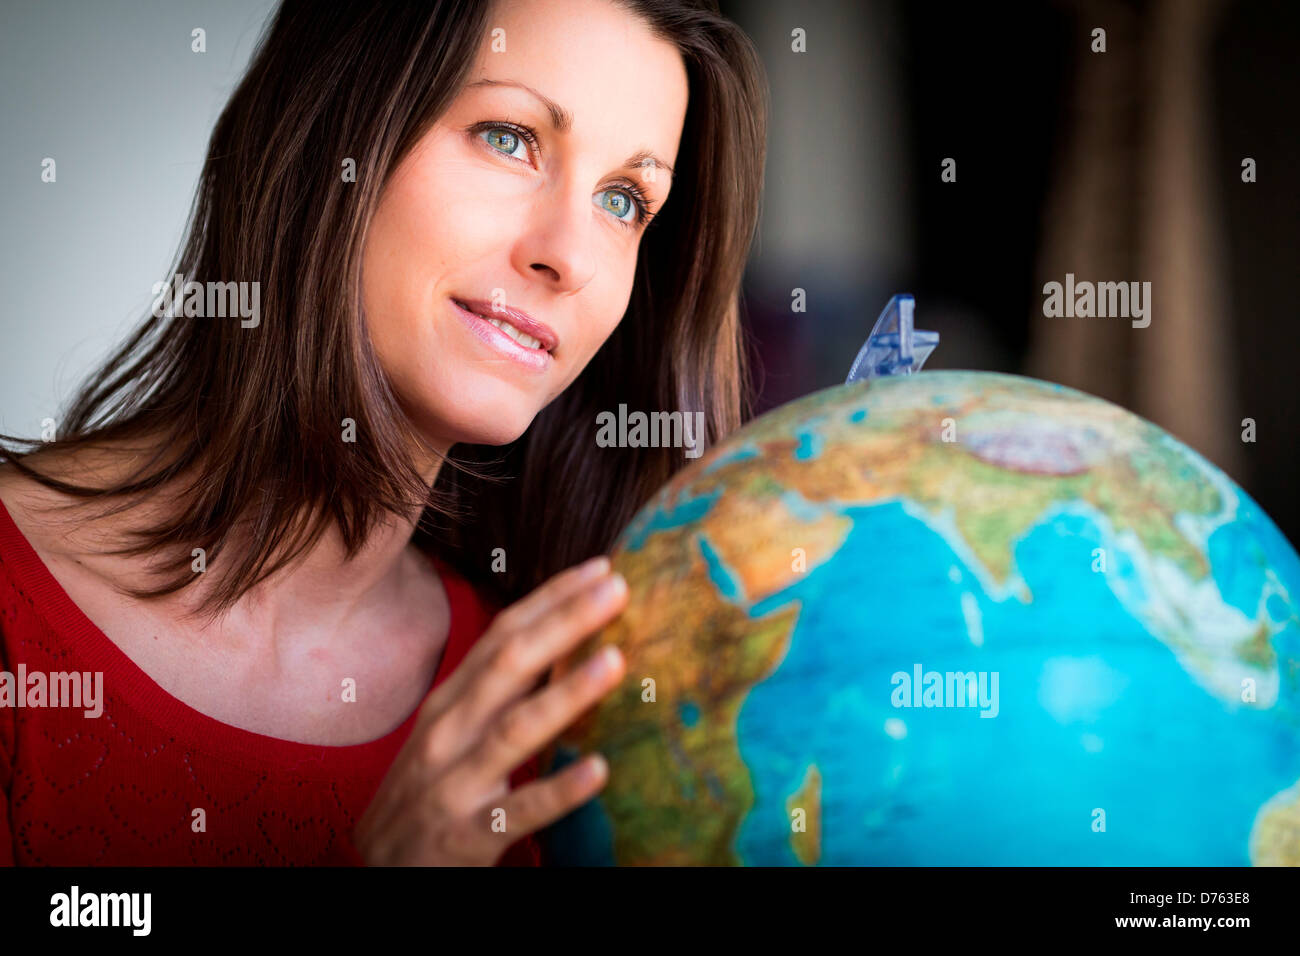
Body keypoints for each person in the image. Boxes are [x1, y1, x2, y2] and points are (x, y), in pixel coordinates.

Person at [0, 0, 766, 865]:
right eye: (510, 137)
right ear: (338, 128)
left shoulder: (572, 702)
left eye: (625, 200)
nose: (571, 255)